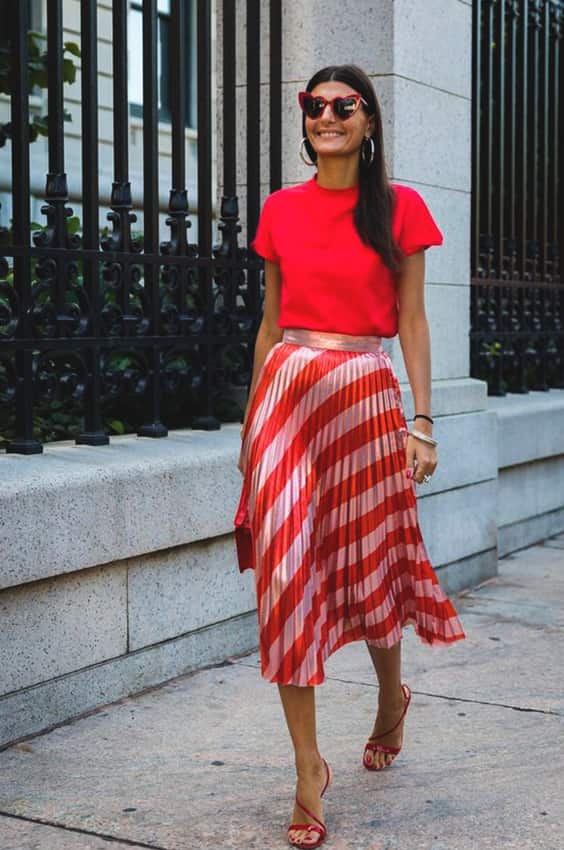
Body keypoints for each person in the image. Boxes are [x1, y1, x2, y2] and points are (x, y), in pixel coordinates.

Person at [233, 64, 466, 849]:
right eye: (315, 106)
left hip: (366, 396)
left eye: (344, 105)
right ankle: (307, 770)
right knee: (287, 573)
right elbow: (269, 325)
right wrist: (250, 425)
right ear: (303, 122)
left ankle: (390, 697)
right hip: (287, 397)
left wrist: (423, 421)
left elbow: (412, 322)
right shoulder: (279, 210)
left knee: (369, 566)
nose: (327, 116)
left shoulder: (399, 210)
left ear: (367, 123)